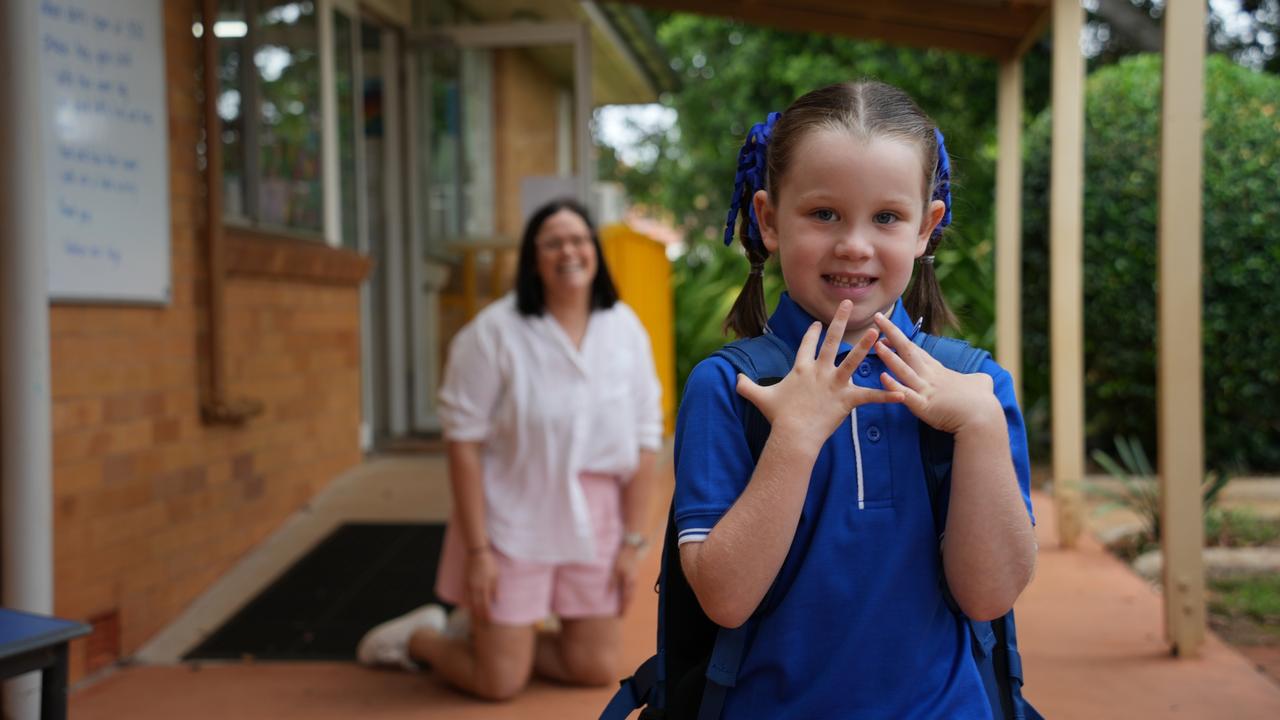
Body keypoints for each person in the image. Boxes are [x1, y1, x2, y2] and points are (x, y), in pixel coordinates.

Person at [672, 81, 1038, 718]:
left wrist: (979, 427)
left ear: (927, 228)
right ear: (767, 219)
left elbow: (990, 597)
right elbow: (724, 599)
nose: (855, 245)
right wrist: (793, 435)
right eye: (824, 214)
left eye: (887, 218)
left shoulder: (976, 388)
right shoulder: (732, 389)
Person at [357, 198, 663, 701]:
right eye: (553, 242)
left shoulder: (623, 328)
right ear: (532, 258)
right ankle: (421, 638)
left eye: (579, 239)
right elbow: (463, 444)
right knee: (498, 682)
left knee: (592, 667)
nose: (569, 250)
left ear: (595, 251)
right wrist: (477, 552)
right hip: (514, 511)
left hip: (597, 517)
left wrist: (632, 544)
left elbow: (647, 440)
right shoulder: (493, 334)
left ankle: (493, 636)